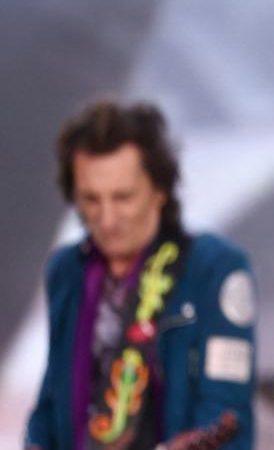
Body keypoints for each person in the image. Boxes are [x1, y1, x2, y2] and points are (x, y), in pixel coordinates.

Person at [26, 101, 256, 450]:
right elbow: (49, 403)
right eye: (90, 199)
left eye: (122, 197)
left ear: (160, 190)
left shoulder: (215, 268)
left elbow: (226, 415)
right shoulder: (65, 269)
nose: (105, 219)